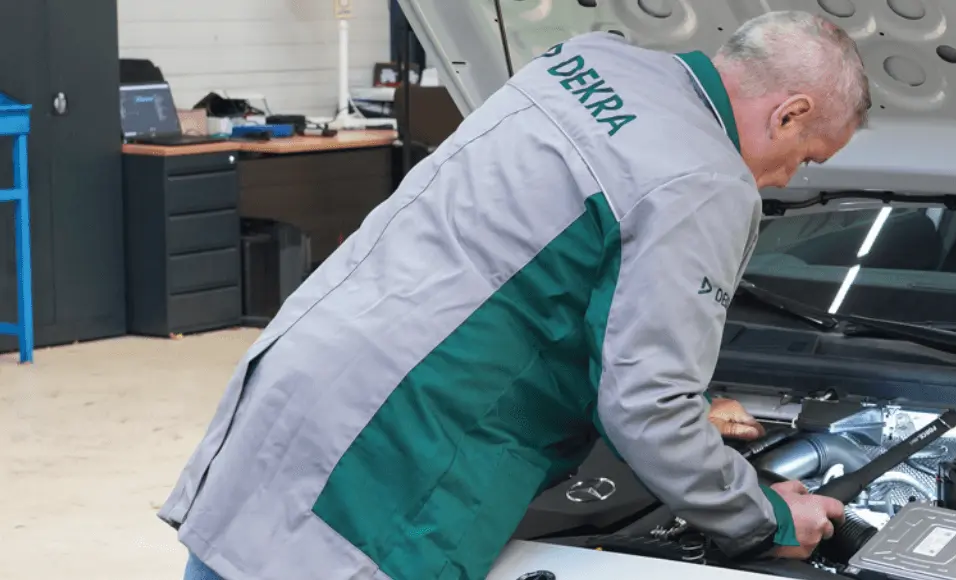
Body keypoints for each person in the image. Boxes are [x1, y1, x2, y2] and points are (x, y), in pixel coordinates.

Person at [161, 11, 871, 579]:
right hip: (401, 447)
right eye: (806, 157)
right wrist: (765, 518)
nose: (785, 181)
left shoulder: (589, 62)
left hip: (307, 372)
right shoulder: (704, 178)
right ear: (790, 111)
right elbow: (648, 406)